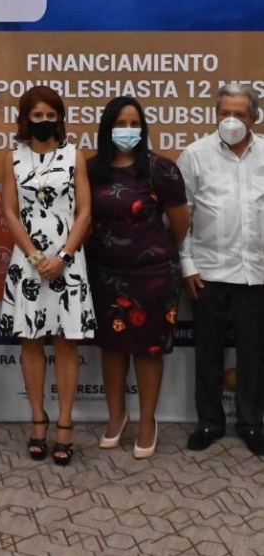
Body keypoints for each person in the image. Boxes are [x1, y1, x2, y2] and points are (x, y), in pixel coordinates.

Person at [0, 86, 96, 466]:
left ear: (60, 118)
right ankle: (38, 421)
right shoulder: (12, 157)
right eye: (36, 116)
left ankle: (65, 424)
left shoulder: (74, 155)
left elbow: (84, 212)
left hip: (68, 261)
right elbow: (9, 211)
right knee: (32, 342)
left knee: (67, 344)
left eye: (50, 115)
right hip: (29, 263)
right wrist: (37, 257)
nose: (43, 121)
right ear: (25, 119)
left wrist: (64, 256)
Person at [86, 97, 189, 459]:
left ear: (143, 129)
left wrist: (152, 251)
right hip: (104, 273)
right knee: (112, 346)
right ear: (107, 128)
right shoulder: (92, 169)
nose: (127, 130)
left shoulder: (161, 169)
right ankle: (117, 417)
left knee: (148, 349)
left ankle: (147, 422)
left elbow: (180, 223)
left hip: (153, 275)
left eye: (134, 124)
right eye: (120, 124)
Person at [177, 82, 264, 456]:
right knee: (208, 354)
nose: (231, 121)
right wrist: (186, 264)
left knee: (254, 355)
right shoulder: (195, 155)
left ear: (254, 117)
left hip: (256, 274)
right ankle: (209, 422)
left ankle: (252, 423)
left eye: (239, 115)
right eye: (224, 113)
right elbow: (181, 217)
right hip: (207, 274)